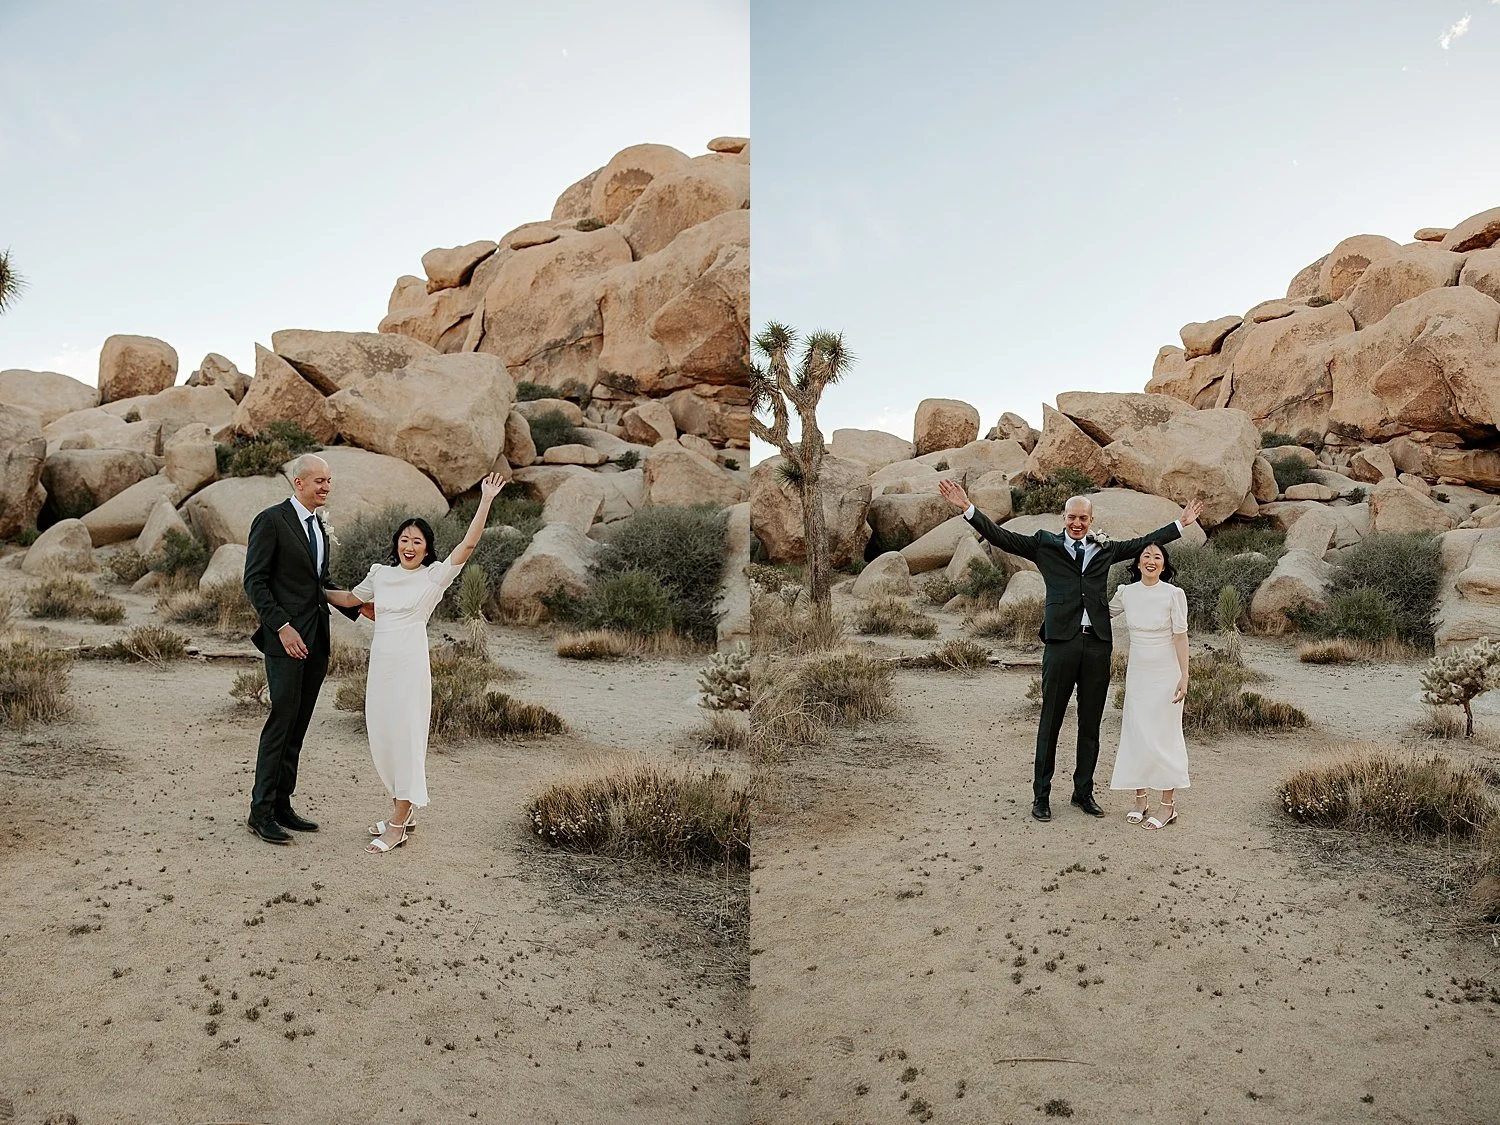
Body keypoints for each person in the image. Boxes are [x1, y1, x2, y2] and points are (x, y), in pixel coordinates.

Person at [936, 478, 1202, 822]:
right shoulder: (1044, 544)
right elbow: (1003, 537)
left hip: (1096, 646)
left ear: (1091, 521)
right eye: (1072, 517)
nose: (1078, 523)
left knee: (1091, 723)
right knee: (1052, 720)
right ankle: (1041, 796)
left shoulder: (1104, 548)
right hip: (1061, 643)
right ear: (1064, 518)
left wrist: (1181, 524)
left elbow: (1141, 543)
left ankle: (1083, 793)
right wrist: (967, 508)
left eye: (1084, 519)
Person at [326, 472, 505, 855]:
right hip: (381, 667)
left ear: (427, 548)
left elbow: (469, 544)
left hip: (410, 666)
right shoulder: (381, 574)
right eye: (404, 540)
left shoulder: (434, 577)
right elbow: (350, 600)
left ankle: (397, 824)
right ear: (397, 544)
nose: (409, 546)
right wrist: (308, 586)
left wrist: (486, 499)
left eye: (417, 541)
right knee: (384, 737)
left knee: (406, 739)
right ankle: (401, 812)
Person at [242, 454, 361, 845]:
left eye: (329, 480)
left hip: (317, 641)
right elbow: (255, 581)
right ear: (298, 483)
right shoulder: (271, 520)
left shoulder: (318, 528)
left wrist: (359, 606)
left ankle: (281, 805)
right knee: (281, 721)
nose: (326, 487)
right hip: (286, 642)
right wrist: (282, 627)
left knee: (299, 724)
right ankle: (260, 813)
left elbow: (318, 584)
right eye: (319, 481)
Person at [1108, 543, 1190, 829]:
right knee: (1137, 733)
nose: (1151, 560)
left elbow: (1181, 637)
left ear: (1164, 566)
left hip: (1166, 674)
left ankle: (1168, 805)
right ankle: (1140, 799)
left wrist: (1184, 676)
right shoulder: (1126, 593)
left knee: (1164, 736)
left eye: (1157, 557)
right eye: (1146, 556)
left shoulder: (1173, 595)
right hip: (1138, 674)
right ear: (1138, 563)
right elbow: (1101, 612)